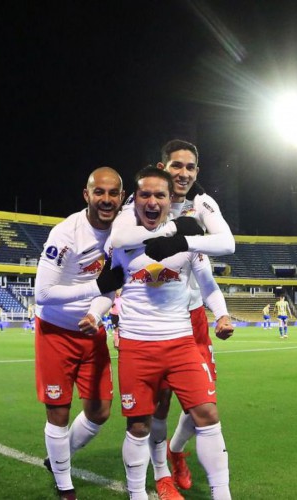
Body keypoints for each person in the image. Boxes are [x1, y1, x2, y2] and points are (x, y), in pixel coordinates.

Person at [108, 140, 236, 493]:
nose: (183, 173)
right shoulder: (143, 202)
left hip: (192, 317)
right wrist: (172, 232)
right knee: (159, 406)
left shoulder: (201, 204)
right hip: (155, 321)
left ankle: (176, 451)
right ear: (162, 168)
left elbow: (226, 243)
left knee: (204, 405)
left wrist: (183, 240)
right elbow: (119, 239)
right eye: (176, 166)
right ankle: (163, 475)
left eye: (190, 168)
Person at [34, 166, 125, 500]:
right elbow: (41, 294)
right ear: (86, 195)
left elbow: (112, 287)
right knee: (58, 411)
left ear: (121, 197)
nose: (105, 199)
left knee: (100, 411)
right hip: (55, 331)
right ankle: (64, 485)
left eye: (112, 193)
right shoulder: (65, 234)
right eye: (98, 192)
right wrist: (93, 287)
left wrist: (95, 312)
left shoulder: (122, 233)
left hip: (91, 331)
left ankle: (58, 459)